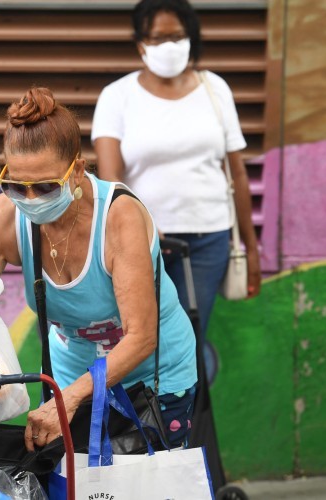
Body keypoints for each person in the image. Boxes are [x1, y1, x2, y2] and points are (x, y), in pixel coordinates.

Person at [0, 86, 198, 449]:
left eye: (44, 187)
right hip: (71, 377)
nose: (29, 200)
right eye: (15, 185)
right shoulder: (3, 217)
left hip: (152, 381)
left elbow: (141, 337)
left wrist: (70, 399)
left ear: (77, 172)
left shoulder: (119, 217)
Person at [91, 0, 262, 355]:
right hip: (141, 243)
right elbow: (110, 181)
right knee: (140, 341)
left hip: (208, 240)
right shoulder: (116, 97)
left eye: (178, 36)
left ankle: (185, 412)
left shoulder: (215, 89)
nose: (169, 46)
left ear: (192, 39)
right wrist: (142, 223)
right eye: (158, 38)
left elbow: (238, 173)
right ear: (140, 43)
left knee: (187, 344)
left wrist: (252, 247)